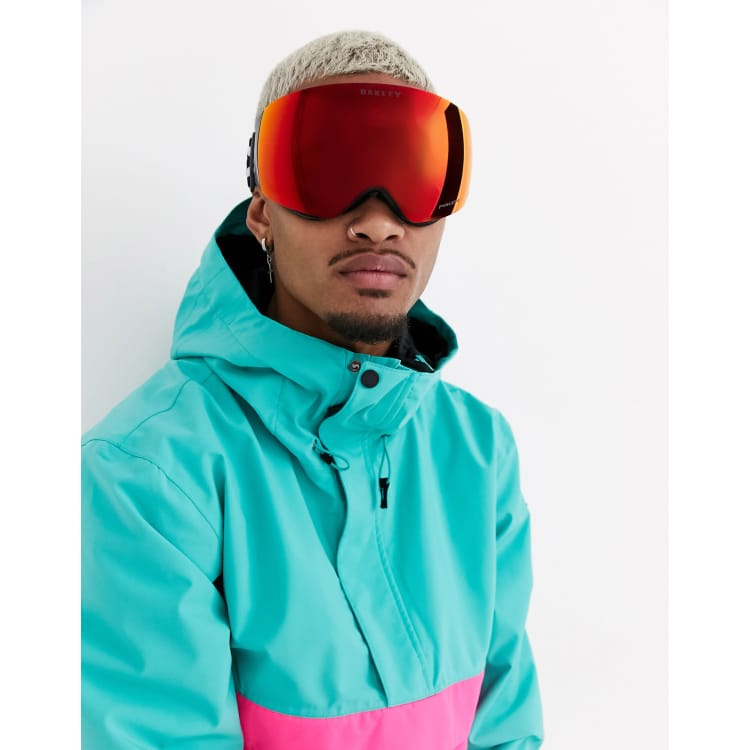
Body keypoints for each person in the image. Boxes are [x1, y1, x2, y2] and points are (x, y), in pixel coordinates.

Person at [82, 29, 544, 750]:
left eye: (412, 175)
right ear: (262, 209)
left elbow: (505, 727)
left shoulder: (478, 451)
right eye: (328, 170)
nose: (378, 223)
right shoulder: (146, 477)